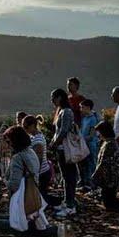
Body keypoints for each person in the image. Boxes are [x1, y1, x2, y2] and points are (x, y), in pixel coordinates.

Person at [3, 125, 55, 237]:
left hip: (20, 196)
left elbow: (14, 184)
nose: (7, 144)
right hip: (32, 191)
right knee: (32, 219)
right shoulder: (30, 152)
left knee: (20, 221)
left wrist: (6, 182)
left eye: (8, 141)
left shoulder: (17, 158)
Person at [50, 88, 79, 218]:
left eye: (53, 98)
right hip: (61, 149)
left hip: (65, 149)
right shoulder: (61, 111)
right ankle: (68, 201)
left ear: (60, 97)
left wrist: (55, 144)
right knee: (66, 177)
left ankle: (70, 205)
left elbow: (64, 131)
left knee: (69, 177)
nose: (52, 101)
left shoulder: (66, 112)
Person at [22, 115, 61, 207]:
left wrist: (35, 173)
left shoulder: (38, 139)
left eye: (25, 127)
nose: (25, 129)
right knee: (41, 194)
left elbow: (37, 158)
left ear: (32, 126)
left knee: (41, 196)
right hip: (42, 171)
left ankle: (58, 203)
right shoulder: (34, 137)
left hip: (41, 172)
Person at [91, 121, 119, 211]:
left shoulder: (109, 144)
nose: (98, 134)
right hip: (109, 178)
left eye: (99, 132)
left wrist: (95, 175)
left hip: (109, 178)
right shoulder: (109, 143)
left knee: (109, 202)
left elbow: (104, 163)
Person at [78, 99, 99, 192]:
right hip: (84, 144)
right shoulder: (84, 118)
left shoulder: (93, 119)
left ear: (88, 108)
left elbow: (91, 135)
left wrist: (81, 139)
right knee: (85, 164)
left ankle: (92, 183)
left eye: (82, 107)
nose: (81, 109)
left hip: (90, 145)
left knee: (91, 163)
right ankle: (85, 182)